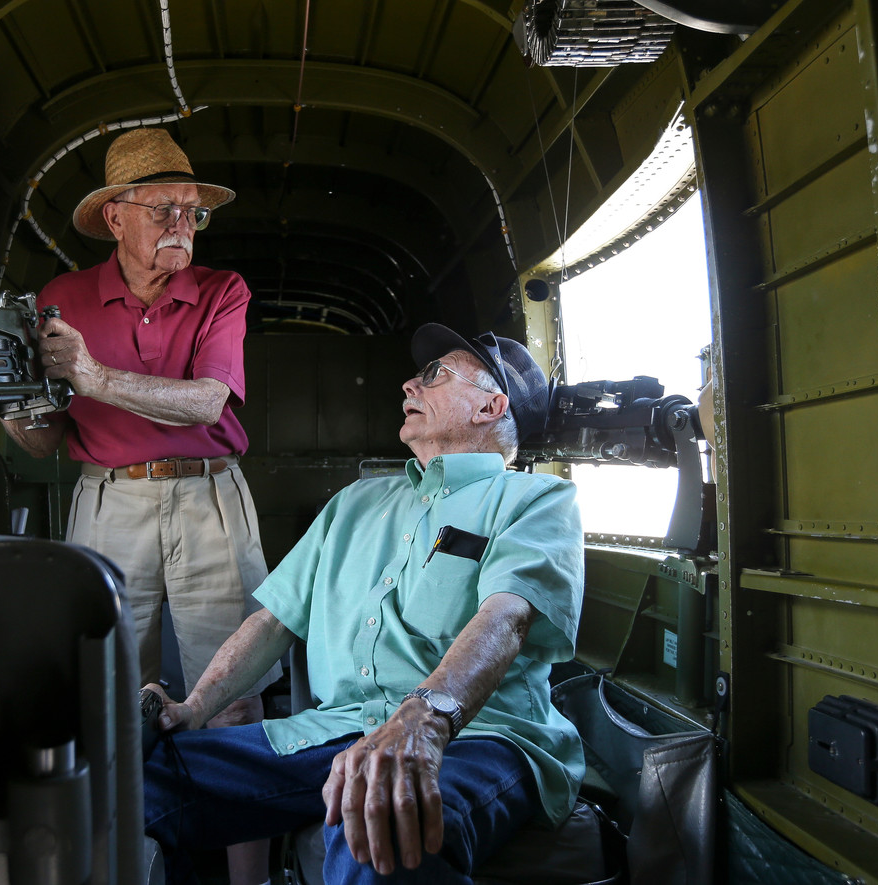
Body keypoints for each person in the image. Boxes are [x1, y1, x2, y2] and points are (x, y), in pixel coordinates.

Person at [143, 324, 586, 884]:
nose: (408, 385)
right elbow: (274, 621)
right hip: (334, 730)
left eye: (433, 376)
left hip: (477, 738)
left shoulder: (536, 500)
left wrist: (425, 721)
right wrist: (195, 709)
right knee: (133, 777)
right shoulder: (355, 502)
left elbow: (507, 616)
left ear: (490, 406)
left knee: (385, 827)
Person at [0, 127, 280, 885]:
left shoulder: (223, 290)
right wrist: (9, 393)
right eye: (164, 211)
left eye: (192, 212)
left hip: (209, 500)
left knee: (234, 698)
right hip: (107, 502)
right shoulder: (61, 299)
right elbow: (42, 440)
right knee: (109, 697)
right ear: (115, 217)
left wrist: (90, 374)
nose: (182, 227)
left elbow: (206, 402)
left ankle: (248, 881)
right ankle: (134, 867)